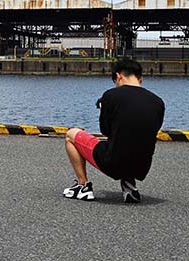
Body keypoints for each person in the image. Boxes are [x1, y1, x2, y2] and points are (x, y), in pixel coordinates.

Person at [63, 58, 165, 202]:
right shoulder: (158, 102)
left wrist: (104, 109)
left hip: (113, 163)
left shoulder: (110, 96)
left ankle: (82, 185)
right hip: (141, 167)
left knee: (71, 135)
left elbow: (106, 130)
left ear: (118, 76)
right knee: (131, 140)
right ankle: (129, 186)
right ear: (140, 79)